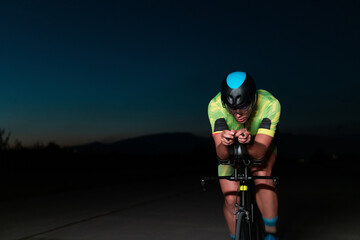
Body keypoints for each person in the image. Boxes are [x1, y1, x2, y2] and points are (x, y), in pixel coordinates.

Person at [208, 71, 281, 240]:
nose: (238, 113)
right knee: (230, 198)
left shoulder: (270, 103)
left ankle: (271, 233)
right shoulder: (215, 105)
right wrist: (225, 144)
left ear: (253, 99)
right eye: (232, 108)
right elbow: (221, 154)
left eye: (243, 106)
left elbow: (260, 151)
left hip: (260, 142)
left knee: (262, 175)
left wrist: (248, 142)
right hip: (231, 146)